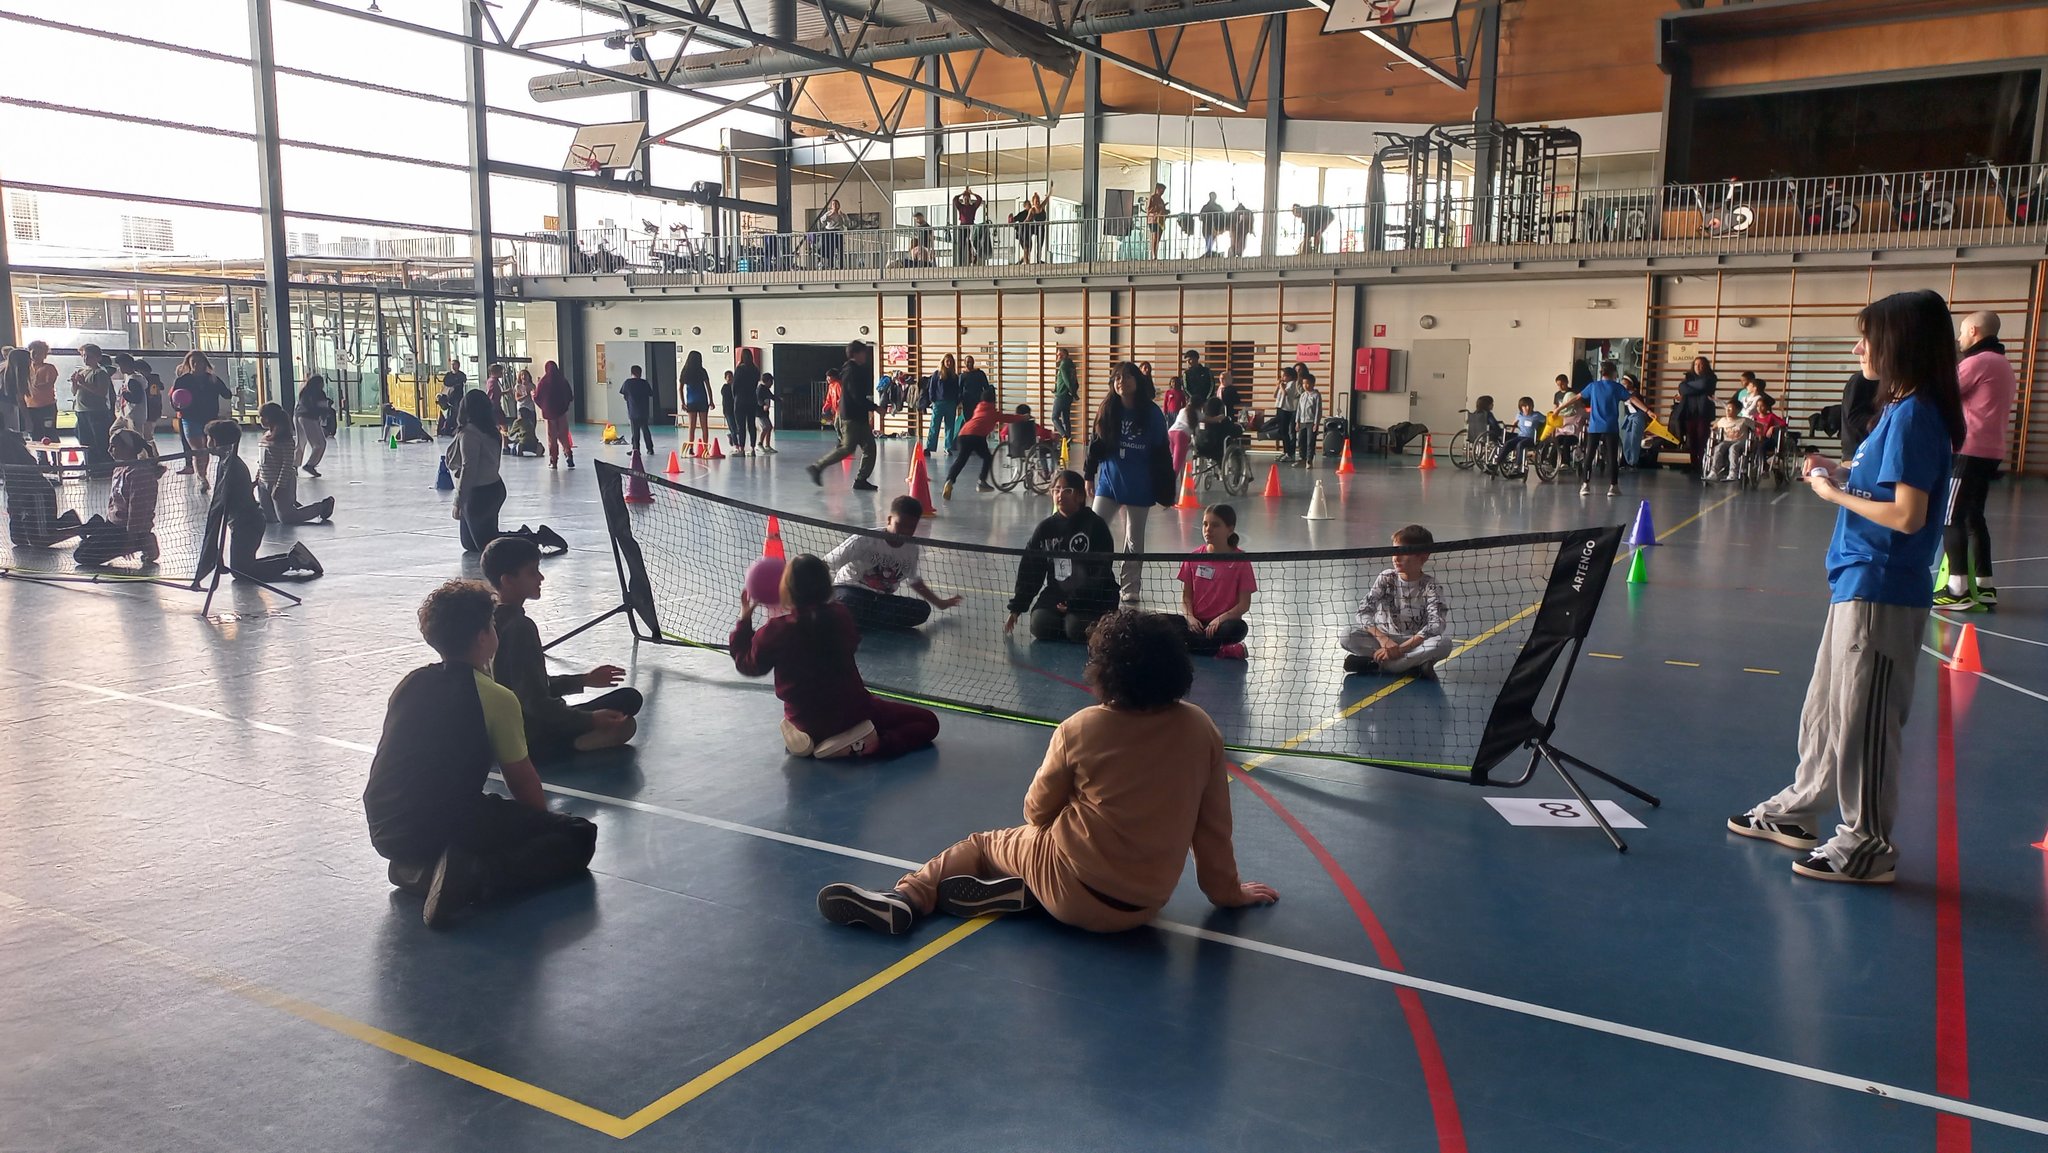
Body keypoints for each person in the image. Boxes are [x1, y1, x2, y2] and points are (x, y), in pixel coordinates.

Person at [815, 609, 1278, 935]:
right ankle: (1020, 895)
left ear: (1105, 672)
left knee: (983, 844)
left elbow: (1035, 812)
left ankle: (906, 898)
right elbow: (1213, 829)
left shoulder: (1081, 728)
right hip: (1143, 907)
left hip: (1070, 890)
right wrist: (1228, 893)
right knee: (1057, 853)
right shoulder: (1202, 729)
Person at [1729, 289, 1964, 885]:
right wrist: (1839, 470)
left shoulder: (1916, 415)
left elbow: (1908, 515)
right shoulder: (1898, 408)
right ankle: (1800, 807)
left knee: (1865, 719)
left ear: (1902, 343)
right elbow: (1879, 481)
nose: (1859, 349)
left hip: (1884, 587)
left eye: (1868, 337)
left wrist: (1834, 494)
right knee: (1828, 708)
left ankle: (1868, 844)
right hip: (1856, 580)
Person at [363, 579, 600, 928]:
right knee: (578, 835)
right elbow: (522, 781)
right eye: (491, 624)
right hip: (441, 821)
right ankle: (474, 877)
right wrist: (539, 828)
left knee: (478, 817)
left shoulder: (410, 683)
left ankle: (419, 871)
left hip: (386, 829)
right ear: (482, 638)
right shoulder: (496, 698)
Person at [732, 552, 942, 760]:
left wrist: (744, 622)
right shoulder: (841, 615)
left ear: (787, 590)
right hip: (853, 713)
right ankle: (869, 745)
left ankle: (806, 736)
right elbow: (852, 643)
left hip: (804, 718)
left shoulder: (774, 631)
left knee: (805, 714)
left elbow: (747, 664)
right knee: (928, 721)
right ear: (827, 586)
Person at [483, 536, 642, 760]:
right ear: (507, 580)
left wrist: (584, 680)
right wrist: (590, 719)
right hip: (529, 733)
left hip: (502, 729)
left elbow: (528, 685)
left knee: (624, 705)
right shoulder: (520, 628)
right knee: (627, 710)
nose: (541, 577)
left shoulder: (489, 619)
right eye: (532, 572)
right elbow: (535, 703)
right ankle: (561, 747)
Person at [1937, 310, 2018, 611]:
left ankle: (1957, 589)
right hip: (1991, 451)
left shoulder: (1977, 362)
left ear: (1973, 330)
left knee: (1949, 516)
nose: (1959, 338)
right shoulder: (2003, 364)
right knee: (1973, 517)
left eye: (1961, 332)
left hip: (1968, 450)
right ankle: (1985, 585)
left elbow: (1944, 394)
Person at [1084, 361, 1175, 606]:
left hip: (1139, 485)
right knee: (1094, 530)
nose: (1121, 381)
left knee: (1134, 539)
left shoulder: (1152, 414)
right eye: (1117, 378)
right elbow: (1095, 445)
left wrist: (1167, 490)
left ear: (1137, 381)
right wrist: (1088, 475)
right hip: (1109, 482)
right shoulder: (1107, 409)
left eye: (1126, 377)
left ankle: (1130, 587)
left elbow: (1162, 452)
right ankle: (1094, 579)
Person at [200, 419, 322, 583]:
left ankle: (293, 560)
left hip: (248, 524)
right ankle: (294, 557)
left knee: (242, 571)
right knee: (242, 568)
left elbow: (221, 503)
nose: (206, 442)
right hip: (242, 523)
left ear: (216, 441)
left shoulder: (232, 466)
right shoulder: (227, 462)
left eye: (209, 438)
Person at [1004, 470, 1117, 644]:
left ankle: (1081, 621)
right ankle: (1065, 621)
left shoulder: (1096, 526)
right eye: (1056, 490)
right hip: (1056, 593)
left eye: (1067, 490)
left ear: (1080, 496)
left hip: (1091, 596)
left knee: (1075, 628)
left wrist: (1074, 602)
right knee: (1040, 625)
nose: (1060, 495)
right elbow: (1031, 569)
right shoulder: (1045, 528)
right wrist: (1017, 608)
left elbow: (1101, 573)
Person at [447, 391, 566, 556]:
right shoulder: (491, 431)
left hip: (479, 493)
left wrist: (458, 502)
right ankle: (522, 534)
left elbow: (469, 469)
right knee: (470, 544)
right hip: (494, 488)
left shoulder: (469, 434)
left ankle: (536, 537)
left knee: (487, 545)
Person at [823, 495, 961, 629]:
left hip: (881, 599)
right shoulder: (864, 539)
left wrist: (939, 603)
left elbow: (914, 580)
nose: (905, 531)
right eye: (900, 525)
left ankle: (858, 621)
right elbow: (826, 564)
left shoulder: (912, 549)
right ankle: (865, 619)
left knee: (921, 610)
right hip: (851, 590)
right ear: (889, 520)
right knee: (850, 603)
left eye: (911, 527)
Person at [1343, 525, 1451, 677]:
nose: (1396, 558)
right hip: (1383, 639)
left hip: (1414, 643)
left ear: (1423, 557)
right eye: (1394, 551)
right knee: (1347, 635)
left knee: (1443, 644)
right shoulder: (1386, 578)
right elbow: (1363, 612)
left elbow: (1436, 625)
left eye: (1403, 552)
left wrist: (1401, 649)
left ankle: (1379, 665)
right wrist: (1383, 640)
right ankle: (1411, 666)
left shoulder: (1431, 586)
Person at [74, 429, 163, 567]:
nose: (109, 450)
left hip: (126, 529)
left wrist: (130, 540)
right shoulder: (119, 468)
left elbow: (137, 511)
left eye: (114, 446)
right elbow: (113, 501)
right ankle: (99, 526)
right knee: (82, 549)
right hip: (114, 525)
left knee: (82, 556)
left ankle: (143, 541)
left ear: (128, 449)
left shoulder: (140, 474)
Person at [1174, 504, 1254, 659]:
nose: (1208, 529)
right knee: (1162, 624)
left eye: (1215, 525)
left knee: (1238, 628)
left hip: (1222, 625)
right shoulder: (1193, 557)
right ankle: (1220, 650)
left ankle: (1190, 646)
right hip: (1196, 623)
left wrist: (1219, 620)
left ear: (1230, 529)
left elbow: (1244, 604)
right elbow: (1186, 597)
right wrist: (1190, 618)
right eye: (1205, 524)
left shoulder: (1240, 561)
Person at [806, 340, 879, 491]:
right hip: (851, 417)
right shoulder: (851, 371)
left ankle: (861, 480)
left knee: (870, 448)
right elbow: (856, 396)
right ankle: (817, 467)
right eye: (863, 352)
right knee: (847, 448)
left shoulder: (855, 369)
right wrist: (875, 408)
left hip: (859, 417)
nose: (865, 355)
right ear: (856, 354)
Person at [1578, 361, 1655, 497]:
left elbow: (1576, 397)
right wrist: (1647, 411)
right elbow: (1632, 399)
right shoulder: (1616, 387)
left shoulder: (1593, 386)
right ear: (1614, 373)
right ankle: (1613, 487)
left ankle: (1585, 485)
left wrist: (1559, 409)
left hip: (1594, 427)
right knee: (1612, 457)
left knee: (1589, 455)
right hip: (1611, 427)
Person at [1, 430, 88, 547]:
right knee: (18, 539)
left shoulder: (6, 442)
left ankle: (81, 528)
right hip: (17, 493)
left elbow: (22, 469)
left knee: (40, 539)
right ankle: (68, 519)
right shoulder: (7, 440)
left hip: (35, 492)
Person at [255, 403, 334, 525]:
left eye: (262, 416)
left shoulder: (285, 439)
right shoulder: (265, 436)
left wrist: (280, 486)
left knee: (287, 518)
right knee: (269, 517)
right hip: (264, 482)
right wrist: (257, 478)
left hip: (281, 482)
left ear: (270, 419)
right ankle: (290, 504)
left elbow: (287, 464)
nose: (260, 419)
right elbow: (262, 461)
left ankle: (322, 507)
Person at [941, 392, 1028, 499]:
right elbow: (1008, 418)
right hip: (977, 436)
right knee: (987, 458)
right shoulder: (992, 412)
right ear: (993, 400)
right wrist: (1023, 417)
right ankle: (982, 481)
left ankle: (949, 481)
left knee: (961, 460)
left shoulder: (978, 409)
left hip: (963, 434)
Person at [172, 351, 233, 489]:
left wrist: (222, 387)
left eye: (199, 361)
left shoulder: (212, 379)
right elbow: (174, 401)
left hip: (209, 420)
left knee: (206, 448)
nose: (196, 364)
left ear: (205, 363)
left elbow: (227, 394)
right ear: (189, 364)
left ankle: (203, 474)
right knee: (199, 450)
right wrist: (178, 406)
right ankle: (202, 478)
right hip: (190, 419)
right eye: (193, 362)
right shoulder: (182, 381)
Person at [69, 343, 114, 468]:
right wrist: (74, 383)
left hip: (96, 411)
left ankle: (102, 465)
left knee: (99, 440)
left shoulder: (100, 373)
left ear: (98, 358)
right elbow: (74, 392)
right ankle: (90, 463)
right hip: (81, 410)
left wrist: (83, 383)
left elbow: (101, 392)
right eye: (84, 356)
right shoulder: (81, 371)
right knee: (84, 439)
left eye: (89, 356)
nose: (85, 359)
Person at [1677, 355, 1718, 475]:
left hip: (1703, 413)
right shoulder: (1689, 377)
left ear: (1705, 366)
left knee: (1702, 438)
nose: (1698, 367)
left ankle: (1702, 463)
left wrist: (1689, 386)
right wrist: (1694, 388)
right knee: (1691, 439)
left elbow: (1704, 385)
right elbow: (1682, 389)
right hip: (1690, 412)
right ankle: (1693, 464)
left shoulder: (1711, 377)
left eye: (1700, 365)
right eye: (1695, 364)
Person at [534, 359, 575, 469]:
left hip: (549, 414)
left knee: (551, 438)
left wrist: (544, 406)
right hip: (561, 413)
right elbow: (569, 395)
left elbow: (537, 397)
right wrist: (564, 405)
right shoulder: (562, 380)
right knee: (564, 436)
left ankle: (554, 461)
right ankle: (568, 454)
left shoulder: (543, 382)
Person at [1706, 398, 1754, 482]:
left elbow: (1758, 426)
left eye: (1730, 409)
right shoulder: (1723, 420)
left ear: (1737, 411)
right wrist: (1713, 431)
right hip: (1727, 441)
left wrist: (1758, 435)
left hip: (1740, 442)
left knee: (1733, 448)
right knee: (1718, 447)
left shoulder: (1744, 420)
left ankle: (1733, 472)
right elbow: (1714, 427)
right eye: (1727, 409)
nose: (1727, 411)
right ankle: (1714, 472)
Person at [922, 353, 961, 457]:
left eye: (951, 361)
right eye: (947, 361)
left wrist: (956, 401)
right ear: (943, 362)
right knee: (934, 426)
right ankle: (929, 447)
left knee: (950, 427)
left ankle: (948, 448)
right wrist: (932, 400)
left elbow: (957, 390)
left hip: (951, 403)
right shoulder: (937, 374)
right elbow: (932, 388)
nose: (949, 363)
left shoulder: (954, 377)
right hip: (938, 403)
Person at [296, 375, 334, 477]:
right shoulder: (318, 393)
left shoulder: (304, 391)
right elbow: (320, 406)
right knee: (320, 444)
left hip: (298, 415)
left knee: (300, 443)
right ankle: (310, 464)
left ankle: (294, 466)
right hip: (309, 418)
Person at [1192, 399, 1242, 473]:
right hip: (1217, 450)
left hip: (1200, 448)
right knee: (1235, 447)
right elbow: (1234, 431)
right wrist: (1240, 428)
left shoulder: (1202, 420)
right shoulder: (1222, 420)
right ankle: (1237, 473)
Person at [25, 341, 59, 442]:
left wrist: (32, 384)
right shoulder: (26, 368)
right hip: (31, 407)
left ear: (45, 355)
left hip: (47, 406)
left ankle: (55, 452)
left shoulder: (49, 368)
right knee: (35, 433)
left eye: (40, 353)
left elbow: (48, 384)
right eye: (34, 353)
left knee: (50, 432)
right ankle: (39, 453)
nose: (36, 356)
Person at [1841, 370, 1879, 459]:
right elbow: (1853, 417)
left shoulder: (1883, 379)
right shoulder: (1861, 379)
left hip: (1869, 447)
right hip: (1858, 450)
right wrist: (1885, 421)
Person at [678, 350, 711, 453]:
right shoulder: (702, 371)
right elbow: (708, 387)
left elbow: (680, 388)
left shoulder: (685, 372)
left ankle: (691, 448)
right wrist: (711, 400)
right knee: (704, 426)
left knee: (691, 426)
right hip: (702, 400)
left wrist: (683, 402)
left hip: (691, 401)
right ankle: (705, 448)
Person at [619, 364, 655, 457]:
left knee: (635, 432)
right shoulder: (644, 383)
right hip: (644, 411)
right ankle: (650, 449)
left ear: (631, 373)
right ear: (640, 373)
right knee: (645, 430)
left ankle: (636, 450)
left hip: (633, 411)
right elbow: (650, 394)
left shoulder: (627, 383)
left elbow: (624, 395)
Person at [731, 349, 762, 456]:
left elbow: (734, 385)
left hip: (740, 399)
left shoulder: (740, 369)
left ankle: (742, 449)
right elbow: (755, 384)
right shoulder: (755, 369)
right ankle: (752, 449)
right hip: (752, 399)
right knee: (751, 425)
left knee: (741, 426)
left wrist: (735, 397)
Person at [1500, 397, 1542, 471]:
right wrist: (1511, 432)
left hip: (1531, 438)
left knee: (1520, 444)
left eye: (1529, 406)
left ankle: (1517, 465)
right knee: (1508, 443)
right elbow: (1514, 423)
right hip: (1520, 436)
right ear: (1521, 407)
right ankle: (1498, 462)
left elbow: (1547, 422)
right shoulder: (1519, 415)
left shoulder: (1537, 415)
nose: (1527, 408)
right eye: (1525, 406)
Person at [1619, 375, 1650, 468]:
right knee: (1627, 440)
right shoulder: (1625, 394)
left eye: (1625, 384)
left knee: (1634, 440)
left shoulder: (1636, 395)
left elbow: (1639, 408)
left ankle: (1633, 462)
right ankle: (1628, 461)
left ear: (1631, 384)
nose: (1623, 385)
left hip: (1637, 417)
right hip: (1629, 418)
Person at [1270, 365, 1300, 461]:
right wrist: (1277, 386)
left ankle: (1289, 453)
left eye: (1284, 376)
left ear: (1290, 376)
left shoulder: (1292, 384)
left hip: (1286, 409)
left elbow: (1285, 394)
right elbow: (1275, 395)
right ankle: (1285, 451)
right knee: (1281, 431)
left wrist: (1281, 387)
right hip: (1279, 407)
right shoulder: (1284, 384)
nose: (1282, 377)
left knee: (1285, 431)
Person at [1166, 388, 1197, 480]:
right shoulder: (1197, 413)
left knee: (1171, 459)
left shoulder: (1182, 410)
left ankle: (1163, 478)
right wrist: (1219, 418)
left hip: (1171, 432)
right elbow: (1208, 419)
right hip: (1181, 435)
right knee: (1177, 463)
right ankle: (1169, 483)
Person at [1294, 372, 1324, 466]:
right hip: (1302, 421)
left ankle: (1309, 460)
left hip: (1311, 422)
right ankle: (1302, 458)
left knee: (1310, 441)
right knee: (1301, 440)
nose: (1305, 385)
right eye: (1303, 383)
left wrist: (1316, 423)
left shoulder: (1316, 395)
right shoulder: (1303, 395)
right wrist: (1297, 421)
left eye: (1307, 383)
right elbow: (1299, 409)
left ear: (1313, 384)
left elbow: (1318, 410)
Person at [952, 186, 985, 265]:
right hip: (962, 227)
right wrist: (962, 194)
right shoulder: (961, 207)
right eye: (965, 199)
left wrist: (972, 193)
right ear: (963, 200)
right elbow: (955, 199)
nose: (966, 200)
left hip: (971, 226)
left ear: (969, 199)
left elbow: (979, 199)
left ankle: (972, 260)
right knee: (961, 245)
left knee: (972, 244)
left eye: (967, 199)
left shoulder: (973, 207)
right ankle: (960, 263)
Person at [0, 346, 29, 434]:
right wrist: (28, 419)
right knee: (11, 435)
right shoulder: (17, 376)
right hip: (8, 407)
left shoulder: (4, 370)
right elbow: (19, 398)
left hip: (4, 405)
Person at [1052, 348, 1078, 440]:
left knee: (1054, 417)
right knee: (1065, 418)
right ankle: (1068, 439)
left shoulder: (1063, 366)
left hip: (1062, 395)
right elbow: (1075, 381)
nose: (1057, 356)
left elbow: (1067, 381)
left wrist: (1073, 393)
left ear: (1064, 355)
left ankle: (1064, 436)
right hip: (1068, 396)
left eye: (1059, 354)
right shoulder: (1071, 365)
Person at [1180, 350, 1215, 414]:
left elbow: (1212, 386)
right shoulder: (1186, 373)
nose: (1188, 362)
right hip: (1193, 402)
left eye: (1190, 360)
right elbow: (1185, 389)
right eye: (1186, 361)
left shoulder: (1206, 371)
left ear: (1196, 359)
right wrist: (1193, 400)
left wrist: (1207, 399)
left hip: (1206, 402)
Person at [756, 371, 777, 454]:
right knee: (765, 427)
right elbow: (758, 400)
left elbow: (772, 396)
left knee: (770, 427)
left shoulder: (766, 390)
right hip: (759, 413)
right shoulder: (760, 389)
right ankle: (759, 444)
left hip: (765, 413)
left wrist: (779, 399)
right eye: (771, 381)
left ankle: (767, 446)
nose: (772, 383)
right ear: (767, 381)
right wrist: (763, 405)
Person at [1145, 183, 1168, 260]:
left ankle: (1156, 253)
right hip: (1153, 220)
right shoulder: (1152, 198)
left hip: (1160, 221)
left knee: (1158, 238)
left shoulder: (1161, 200)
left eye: (1163, 191)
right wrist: (1156, 210)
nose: (1162, 192)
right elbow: (1148, 210)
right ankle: (1153, 255)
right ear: (1157, 189)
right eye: (1161, 190)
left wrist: (1165, 211)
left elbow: (1163, 210)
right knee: (1154, 237)